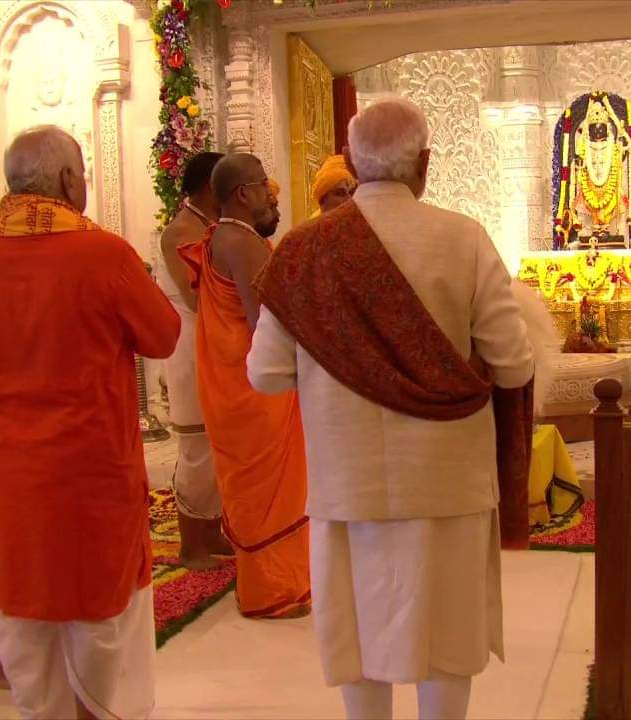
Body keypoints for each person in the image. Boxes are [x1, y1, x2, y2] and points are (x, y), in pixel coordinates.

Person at [247, 97, 535, 720]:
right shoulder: (463, 238)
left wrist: (333, 350)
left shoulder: (302, 252)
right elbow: (514, 363)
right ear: (425, 164)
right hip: (448, 482)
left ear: (351, 161)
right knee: (447, 640)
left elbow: (265, 375)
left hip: (348, 485)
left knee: (359, 633)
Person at [0, 125, 179, 720]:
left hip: (11, 471)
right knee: (98, 611)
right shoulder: (102, 251)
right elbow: (164, 334)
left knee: (25, 607)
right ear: (65, 179)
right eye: (81, 173)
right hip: (89, 472)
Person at [176, 153, 311, 619]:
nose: (272, 195)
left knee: (251, 489)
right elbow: (265, 325)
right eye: (263, 187)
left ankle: (265, 585)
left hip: (229, 385)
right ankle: (272, 592)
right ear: (242, 194)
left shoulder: (219, 237)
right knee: (271, 489)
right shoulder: (245, 243)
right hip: (256, 389)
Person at [157, 151, 232, 569]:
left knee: (215, 447)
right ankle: (191, 546)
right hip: (190, 348)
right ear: (209, 187)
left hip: (213, 344)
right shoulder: (181, 231)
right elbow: (197, 297)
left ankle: (212, 533)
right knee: (196, 449)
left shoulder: (208, 227)